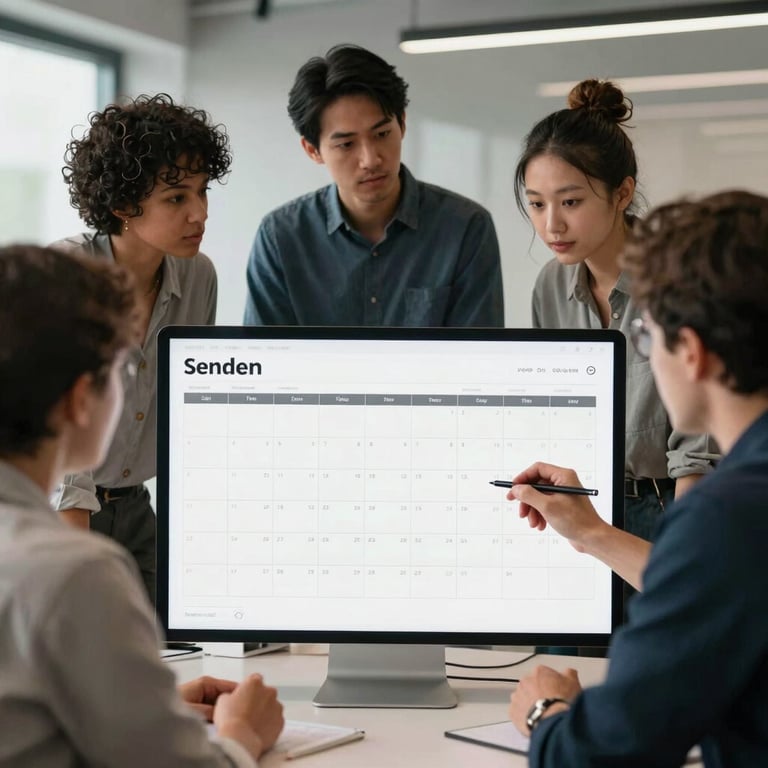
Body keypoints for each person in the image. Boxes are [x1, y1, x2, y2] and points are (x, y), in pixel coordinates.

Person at [506, 190, 768, 766]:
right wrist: (590, 532)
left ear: (692, 354)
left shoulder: (727, 513)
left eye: (646, 340)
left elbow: (605, 753)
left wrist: (545, 713)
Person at [0, 244, 284, 766]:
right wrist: (242, 733)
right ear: (82, 399)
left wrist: (144, 706)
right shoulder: (76, 573)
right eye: (122, 371)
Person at [514, 78, 718, 562]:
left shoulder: (678, 279)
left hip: (672, 505)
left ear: (623, 193)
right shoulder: (550, 285)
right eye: (537, 204)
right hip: (583, 505)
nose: (551, 226)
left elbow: (700, 451)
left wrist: (683, 556)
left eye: (571, 202)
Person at [53, 93, 231, 606]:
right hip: (60, 511)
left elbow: (192, 412)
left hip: (136, 510)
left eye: (202, 192)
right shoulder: (70, 275)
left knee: (171, 653)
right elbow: (63, 437)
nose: (199, 213)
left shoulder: (198, 276)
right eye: (176, 198)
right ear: (123, 205)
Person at [243, 43, 504, 327]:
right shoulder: (280, 237)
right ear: (312, 150)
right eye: (346, 144)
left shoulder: (466, 228)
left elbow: (476, 361)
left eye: (381, 134)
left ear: (402, 124)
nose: (370, 159)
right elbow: (266, 361)